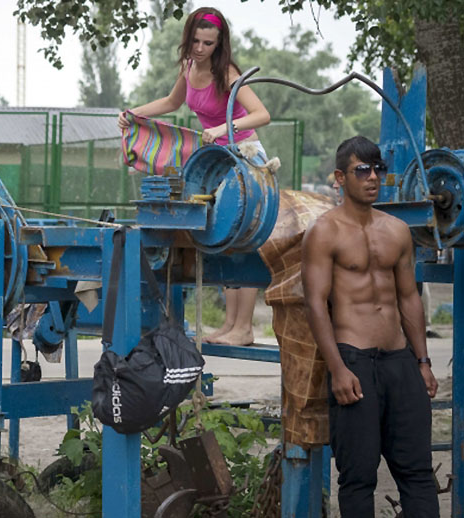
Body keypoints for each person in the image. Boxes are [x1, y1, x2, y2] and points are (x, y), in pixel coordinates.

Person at [302, 136, 439, 517]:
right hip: (354, 363)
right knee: (359, 476)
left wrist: (423, 361)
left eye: (378, 169)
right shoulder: (325, 232)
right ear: (339, 177)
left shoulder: (396, 230)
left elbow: (408, 298)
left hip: (400, 361)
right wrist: (338, 369)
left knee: (417, 472)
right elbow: (315, 304)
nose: (373, 177)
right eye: (362, 170)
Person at [118, 6, 271, 346]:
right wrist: (134, 113)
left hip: (245, 159)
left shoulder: (227, 73)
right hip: (216, 161)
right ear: (187, 39)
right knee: (224, 239)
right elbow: (173, 102)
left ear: (220, 45)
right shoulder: (188, 67)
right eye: (196, 41)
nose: (201, 49)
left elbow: (263, 114)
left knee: (243, 237)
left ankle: (244, 328)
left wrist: (221, 128)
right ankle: (230, 325)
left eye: (209, 43)